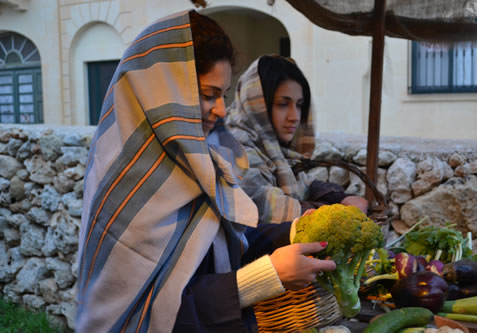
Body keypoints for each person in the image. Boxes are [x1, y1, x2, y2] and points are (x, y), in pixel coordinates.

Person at [76, 11, 336, 333]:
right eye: (207, 95)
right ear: (164, 95)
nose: (221, 110)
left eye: (223, 95)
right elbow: (149, 314)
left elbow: (226, 242)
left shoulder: (200, 166)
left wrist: (297, 230)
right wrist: (266, 277)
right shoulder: (125, 188)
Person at [225, 55, 368, 224]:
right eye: (283, 104)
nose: (295, 116)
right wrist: (332, 213)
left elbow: (303, 183)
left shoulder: (276, 152)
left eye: (299, 105)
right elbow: (262, 204)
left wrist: (339, 197)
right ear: (255, 105)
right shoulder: (233, 149)